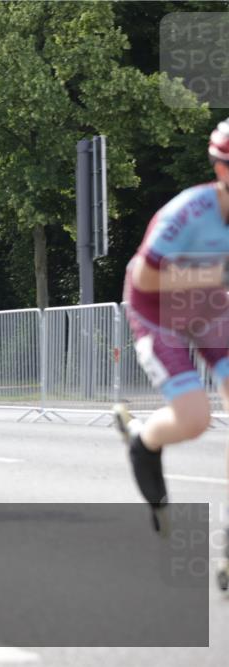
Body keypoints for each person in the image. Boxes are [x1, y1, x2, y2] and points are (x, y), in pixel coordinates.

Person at [114, 117, 229, 570]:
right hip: (158, 313)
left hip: (213, 313)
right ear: (222, 170)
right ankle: (143, 439)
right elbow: (144, 275)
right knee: (195, 419)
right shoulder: (188, 211)